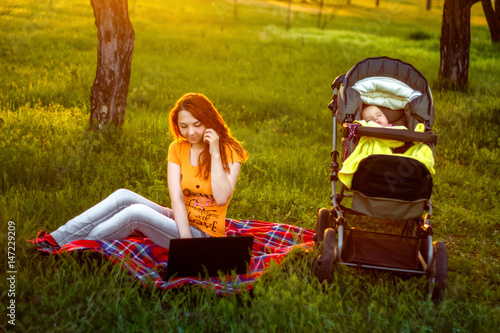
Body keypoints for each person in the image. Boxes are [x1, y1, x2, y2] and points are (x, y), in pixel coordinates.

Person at [32, 93, 249, 250]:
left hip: (205, 235)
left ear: (209, 121)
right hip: (182, 223)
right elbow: (177, 197)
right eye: (184, 126)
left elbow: (221, 198)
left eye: (197, 124)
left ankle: (76, 248)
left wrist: (215, 153)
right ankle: (54, 240)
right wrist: (183, 237)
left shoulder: (230, 150)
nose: (190, 132)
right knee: (123, 196)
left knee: (136, 214)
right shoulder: (177, 148)